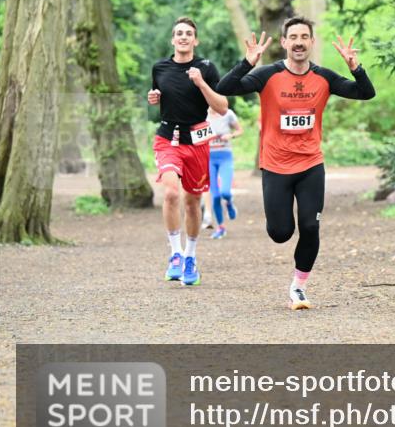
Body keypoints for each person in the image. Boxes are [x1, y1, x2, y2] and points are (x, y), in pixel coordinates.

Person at [217, 16, 375, 310]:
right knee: (280, 233)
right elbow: (225, 87)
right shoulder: (267, 75)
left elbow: (366, 93)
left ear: (312, 42)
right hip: (276, 165)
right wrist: (247, 63)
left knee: (310, 227)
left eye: (305, 36)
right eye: (294, 37)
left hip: (311, 164)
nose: (299, 42)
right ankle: (281, 232)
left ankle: (299, 287)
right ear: (284, 42)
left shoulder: (324, 77)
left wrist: (356, 68)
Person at [147, 17, 228, 285]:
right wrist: (154, 98)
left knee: (192, 202)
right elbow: (162, 96)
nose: (183, 37)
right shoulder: (159, 67)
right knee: (171, 193)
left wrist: (202, 83)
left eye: (188, 33)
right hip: (168, 138)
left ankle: (191, 257)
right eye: (179, 33)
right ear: (173, 39)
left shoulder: (206, 67)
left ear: (195, 40)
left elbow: (222, 107)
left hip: (198, 140)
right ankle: (176, 254)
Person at [206, 105, 244, 239]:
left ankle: (229, 202)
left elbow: (240, 130)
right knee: (215, 196)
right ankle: (220, 227)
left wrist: (231, 135)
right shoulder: (202, 115)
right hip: (209, 159)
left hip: (225, 157)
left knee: (225, 192)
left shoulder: (227, 114)